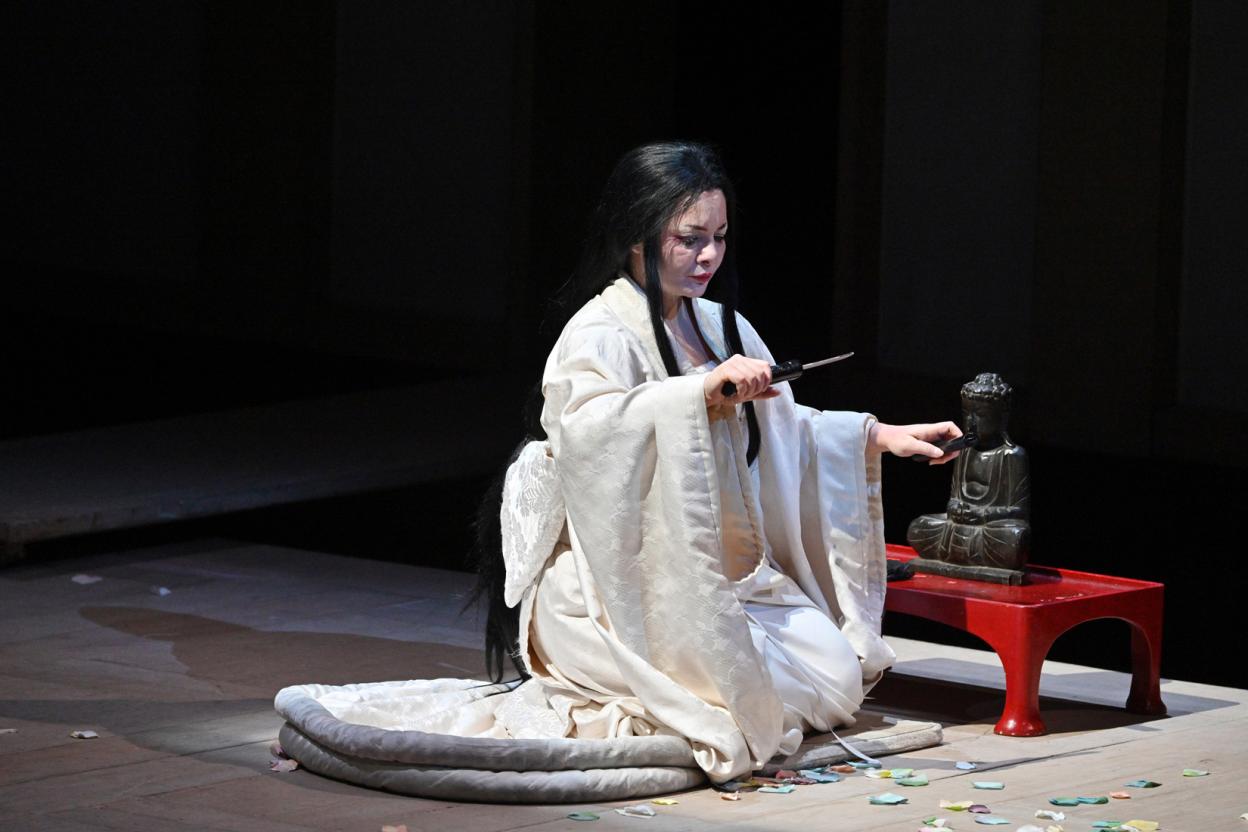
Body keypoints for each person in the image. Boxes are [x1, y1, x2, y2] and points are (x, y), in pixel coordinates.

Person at [475, 140, 961, 782]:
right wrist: (697, 393)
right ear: (636, 236)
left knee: (835, 676)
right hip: (619, 584)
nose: (708, 255)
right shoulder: (597, 333)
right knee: (744, 702)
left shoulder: (721, 326)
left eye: (719, 237)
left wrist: (879, 436)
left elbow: (781, 425)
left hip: (725, 573)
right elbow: (587, 437)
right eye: (689, 238)